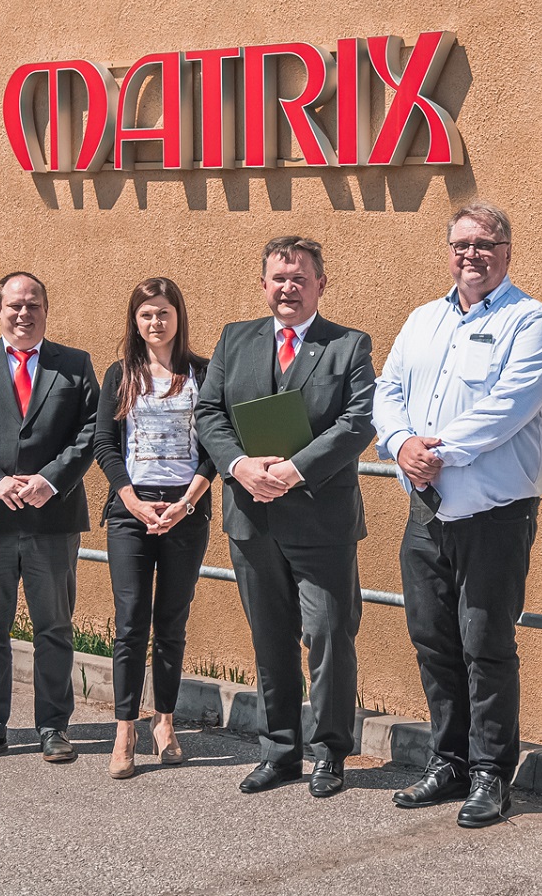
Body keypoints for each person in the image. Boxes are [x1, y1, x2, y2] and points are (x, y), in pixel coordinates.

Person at [372, 202, 542, 827]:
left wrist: (436, 453)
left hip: (494, 515)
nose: (471, 255)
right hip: (426, 510)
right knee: (433, 640)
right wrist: (401, 444)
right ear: (448, 251)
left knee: (486, 645)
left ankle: (491, 774)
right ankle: (449, 761)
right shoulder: (422, 320)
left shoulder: (530, 322)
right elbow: (387, 391)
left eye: (484, 244)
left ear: (507, 251)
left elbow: (508, 407)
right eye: (461, 244)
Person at [193, 236, 377, 798]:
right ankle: (279, 752)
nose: (288, 288)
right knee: (270, 639)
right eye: (279, 278)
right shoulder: (235, 339)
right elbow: (208, 412)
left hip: (321, 519)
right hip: (251, 516)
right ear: (263, 284)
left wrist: (295, 470)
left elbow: (358, 421)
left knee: (328, 636)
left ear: (321, 283)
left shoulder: (348, 345)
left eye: (300, 278)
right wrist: (238, 466)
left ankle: (330, 753)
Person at [0, 272, 100, 765]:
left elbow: (92, 430)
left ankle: (53, 726)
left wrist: (50, 479)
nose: (23, 313)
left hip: (52, 517)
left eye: (33, 305)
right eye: (14, 305)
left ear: (46, 310)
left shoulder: (74, 364)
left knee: (54, 629)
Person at [93, 277, 215, 779]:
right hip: (131, 513)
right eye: (146, 314)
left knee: (171, 622)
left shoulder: (204, 372)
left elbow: (216, 444)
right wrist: (132, 501)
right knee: (130, 622)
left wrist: (187, 502)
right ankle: (125, 727)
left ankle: (164, 720)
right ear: (135, 320)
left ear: (178, 316)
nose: (156, 322)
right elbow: (104, 443)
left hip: (187, 511)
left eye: (164, 312)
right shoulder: (120, 374)